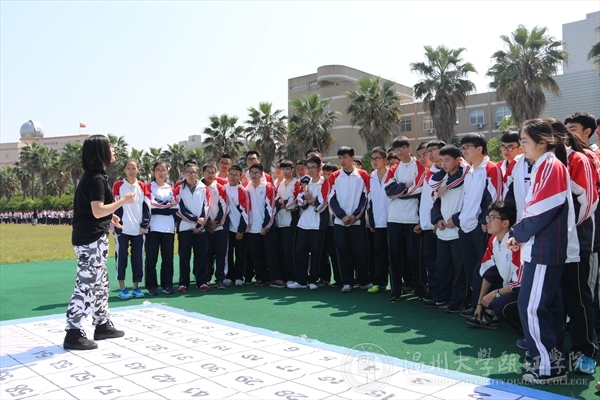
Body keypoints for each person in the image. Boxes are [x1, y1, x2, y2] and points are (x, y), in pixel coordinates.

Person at [507, 119, 578, 384]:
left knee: (533, 307)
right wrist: (519, 233)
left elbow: (542, 208)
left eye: (524, 141)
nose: (521, 146)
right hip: (541, 246)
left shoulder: (550, 165)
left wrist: (518, 233)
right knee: (547, 306)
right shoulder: (544, 164)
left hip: (544, 247)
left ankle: (549, 367)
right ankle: (552, 361)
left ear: (542, 142)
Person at [64, 134, 135, 350]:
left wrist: (110, 217)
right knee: (87, 284)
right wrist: (122, 201)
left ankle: (102, 324)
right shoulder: (95, 178)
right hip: (90, 240)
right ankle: (73, 331)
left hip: (93, 237)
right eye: (109, 147)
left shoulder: (95, 176)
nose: (113, 150)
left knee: (101, 283)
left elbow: (95, 210)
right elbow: (97, 210)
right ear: (100, 152)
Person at [455, 133, 503, 315]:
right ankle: (475, 305)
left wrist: (485, 221)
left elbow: (495, 197)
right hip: (465, 227)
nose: (464, 151)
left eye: (467, 147)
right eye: (462, 147)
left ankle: (487, 309)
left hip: (480, 228)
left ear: (479, 149)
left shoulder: (491, 168)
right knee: (471, 270)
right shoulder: (469, 171)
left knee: (484, 269)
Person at [466, 201, 522, 331]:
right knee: (479, 269)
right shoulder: (493, 239)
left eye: (492, 218)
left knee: (500, 305)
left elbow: (521, 283)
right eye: (487, 217)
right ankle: (486, 313)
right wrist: (480, 303)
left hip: (522, 290)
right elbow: (487, 271)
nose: (487, 222)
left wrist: (495, 293)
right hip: (509, 285)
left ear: (505, 223)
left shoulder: (515, 244)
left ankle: (527, 330)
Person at [425, 145, 468, 310]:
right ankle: (442, 297)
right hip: (443, 233)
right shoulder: (440, 179)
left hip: (459, 232)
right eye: (442, 160)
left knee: (459, 269)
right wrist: (437, 220)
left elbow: (470, 204)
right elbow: (435, 204)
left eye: (447, 160)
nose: (444, 164)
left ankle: (458, 301)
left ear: (458, 160)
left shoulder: (466, 177)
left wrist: (456, 220)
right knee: (443, 267)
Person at [384, 137, 427, 301]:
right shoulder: (393, 169)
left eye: (402, 148)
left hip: (412, 218)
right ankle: (396, 290)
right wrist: (405, 186)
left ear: (409, 148)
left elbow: (418, 188)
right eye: (396, 149)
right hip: (394, 217)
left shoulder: (420, 166)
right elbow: (388, 191)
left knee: (414, 255)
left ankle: (420, 288)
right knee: (394, 254)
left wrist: (399, 190)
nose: (399, 152)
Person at [328, 146, 372, 293]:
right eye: (340, 158)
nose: (342, 161)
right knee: (342, 251)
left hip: (357, 222)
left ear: (352, 158)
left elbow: (365, 197)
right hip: (340, 222)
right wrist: (342, 216)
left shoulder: (362, 175)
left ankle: (364, 280)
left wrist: (355, 215)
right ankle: (347, 282)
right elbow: (331, 199)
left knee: (361, 251)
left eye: (345, 157)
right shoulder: (334, 176)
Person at [289, 156, 330, 289]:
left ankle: (313, 280)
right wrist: (311, 199)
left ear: (319, 168)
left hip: (318, 224)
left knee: (316, 253)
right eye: (309, 167)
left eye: (313, 167)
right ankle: (301, 280)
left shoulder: (324, 183)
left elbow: (322, 204)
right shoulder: (305, 183)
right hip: (303, 223)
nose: (311, 170)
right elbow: (300, 201)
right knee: (300, 251)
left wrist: (311, 200)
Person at [113, 159, 150, 299]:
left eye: (134, 168)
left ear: (138, 170)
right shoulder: (118, 186)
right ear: (124, 170)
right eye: (128, 168)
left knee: (138, 259)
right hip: (122, 229)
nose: (131, 171)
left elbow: (147, 207)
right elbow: (114, 205)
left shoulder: (143, 186)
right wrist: (117, 226)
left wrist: (144, 225)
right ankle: (122, 288)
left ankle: (136, 287)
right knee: (121, 258)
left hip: (138, 231)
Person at [246, 163, 285, 288]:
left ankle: (275, 278)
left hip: (267, 228)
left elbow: (271, 209)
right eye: (252, 172)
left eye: (256, 172)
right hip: (252, 228)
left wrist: (266, 226)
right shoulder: (247, 188)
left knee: (271, 253)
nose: (254, 175)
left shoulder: (268, 187)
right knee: (256, 254)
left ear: (262, 174)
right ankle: (261, 277)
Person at [417, 140, 445, 303]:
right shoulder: (429, 172)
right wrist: (422, 222)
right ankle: (435, 292)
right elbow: (427, 201)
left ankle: (443, 294)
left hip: (441, 226)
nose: (429, 154)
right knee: (431, 262)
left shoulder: (450, 171)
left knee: (442, 263)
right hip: (427, 226)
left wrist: (437, 220)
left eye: (433, 150)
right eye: (428, 151)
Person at [175, 163, 210, 293]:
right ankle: (184, 283)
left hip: (200, 229)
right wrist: (195, 220)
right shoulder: (179, 188)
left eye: (194, 172)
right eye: (188, 172)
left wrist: (201, 224)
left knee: (201, 256)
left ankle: (201, 281)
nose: (191, 175)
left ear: (198, 174)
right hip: (184, 228)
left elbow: (207, 207)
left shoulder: (204, 188)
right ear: (184, 174)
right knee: (184, 257)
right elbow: (179, 208)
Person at [145, 161, 178, 296]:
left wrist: (165, 207)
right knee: (151, 259)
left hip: (168, 229)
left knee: (168, 259)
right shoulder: (148, 187)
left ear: (167, 172)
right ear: (154, 172)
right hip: (153, 228)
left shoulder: (171, 189)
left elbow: (176, 208)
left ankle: (167, 285)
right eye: (158, 170)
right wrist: (169, 205)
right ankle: (151, 286)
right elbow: (151, 207)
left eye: (163, 170)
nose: (161, 172)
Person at [366, 147, 392, 294]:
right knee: (379, 253)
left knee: (396, 253)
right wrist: (371, 221)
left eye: (377, 158)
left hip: (394, 220)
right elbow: (369, 201)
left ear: (385, 159)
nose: (374, 161)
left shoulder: (393, 174)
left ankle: (400, 283)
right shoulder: (371, 177)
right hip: (378, 221)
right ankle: (380, 283)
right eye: (373, 159)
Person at [275, 159, 302, 284]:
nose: (285, 171)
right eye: (283, 169)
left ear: (292, 170)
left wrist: (283, 203)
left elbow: (293, 204)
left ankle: (292, 277)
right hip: (279, 222)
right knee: (280, 251)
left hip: (291, 223)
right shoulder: (279, 184)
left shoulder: (297, 184)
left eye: (287, 169)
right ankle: (284, 277)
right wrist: (283, 203)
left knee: (290, 251)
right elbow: (275, 202)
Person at [224, 165, 250, 287]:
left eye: (236, 175)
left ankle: (239, 276)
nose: (233, 177)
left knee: (240, 254)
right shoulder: (223, 188)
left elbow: (246, 213)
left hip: (239, 229)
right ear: (228, 175)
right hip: (226, 229)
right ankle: (229, 276)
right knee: (228, 254)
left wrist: (241, 230)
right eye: (231, 174)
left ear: (240, 176)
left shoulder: (243, 191)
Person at [321, 163, 342, 287]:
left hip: (339, 223)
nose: (327, 177)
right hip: (326, 225)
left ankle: (342, 279)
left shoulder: (340, 186)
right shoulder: (322, 185)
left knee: (339, 252)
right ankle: (328, 278)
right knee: (329, 252)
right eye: (325, 174)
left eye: (330, 174)